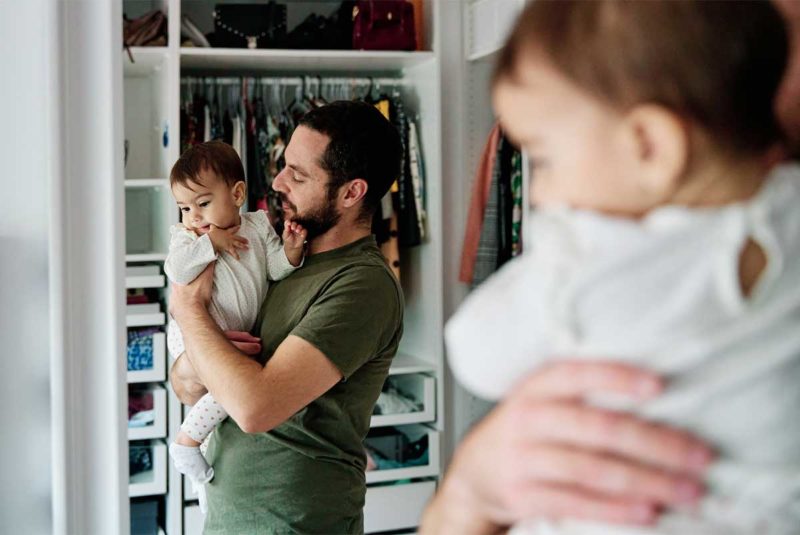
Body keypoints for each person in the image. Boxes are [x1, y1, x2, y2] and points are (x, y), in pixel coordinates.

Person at [432, 1, 800, 534]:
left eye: (547, 158)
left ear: (650, 145)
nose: (538, 190)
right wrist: (470, 494)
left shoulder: (586, 263)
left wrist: (469, 494)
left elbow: (476, 352)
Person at [168, 100, 405, 533]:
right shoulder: (279, 255)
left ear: (351, 193)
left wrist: (187, 308)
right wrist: (190, 361)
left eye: (297, 175)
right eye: (283, 166)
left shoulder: (361, 284)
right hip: (229, 519)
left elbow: (254, 408)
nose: (277, 181)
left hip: (295, 524)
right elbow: (188, 387)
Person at [163, 140, 307, 511]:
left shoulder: (258, 226)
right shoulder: (190, 237)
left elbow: (274, 268)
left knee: (231, 387)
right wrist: (211, 240)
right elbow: (177, 269)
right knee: (223, 388)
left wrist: (290, 252)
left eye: (203, 203)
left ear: (237, 193)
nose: (193, 215)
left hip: (230, 335)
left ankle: (199, 471)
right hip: (193, 333)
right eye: (184, 208)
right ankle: (187, 442)